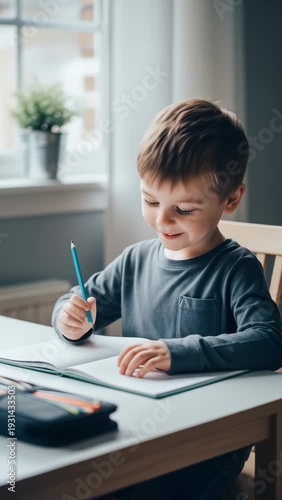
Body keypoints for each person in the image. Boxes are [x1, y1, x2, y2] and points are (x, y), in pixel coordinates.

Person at [52, 99, 282, 500]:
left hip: (211, 441)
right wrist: (68, 318)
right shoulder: (136, 261)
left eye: (184, 209)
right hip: (143, 425)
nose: (162, 220)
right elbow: (82, 300)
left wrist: (177, 353)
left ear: (230, 199)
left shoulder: (235, 268)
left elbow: (269, 341)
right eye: (151, 201)